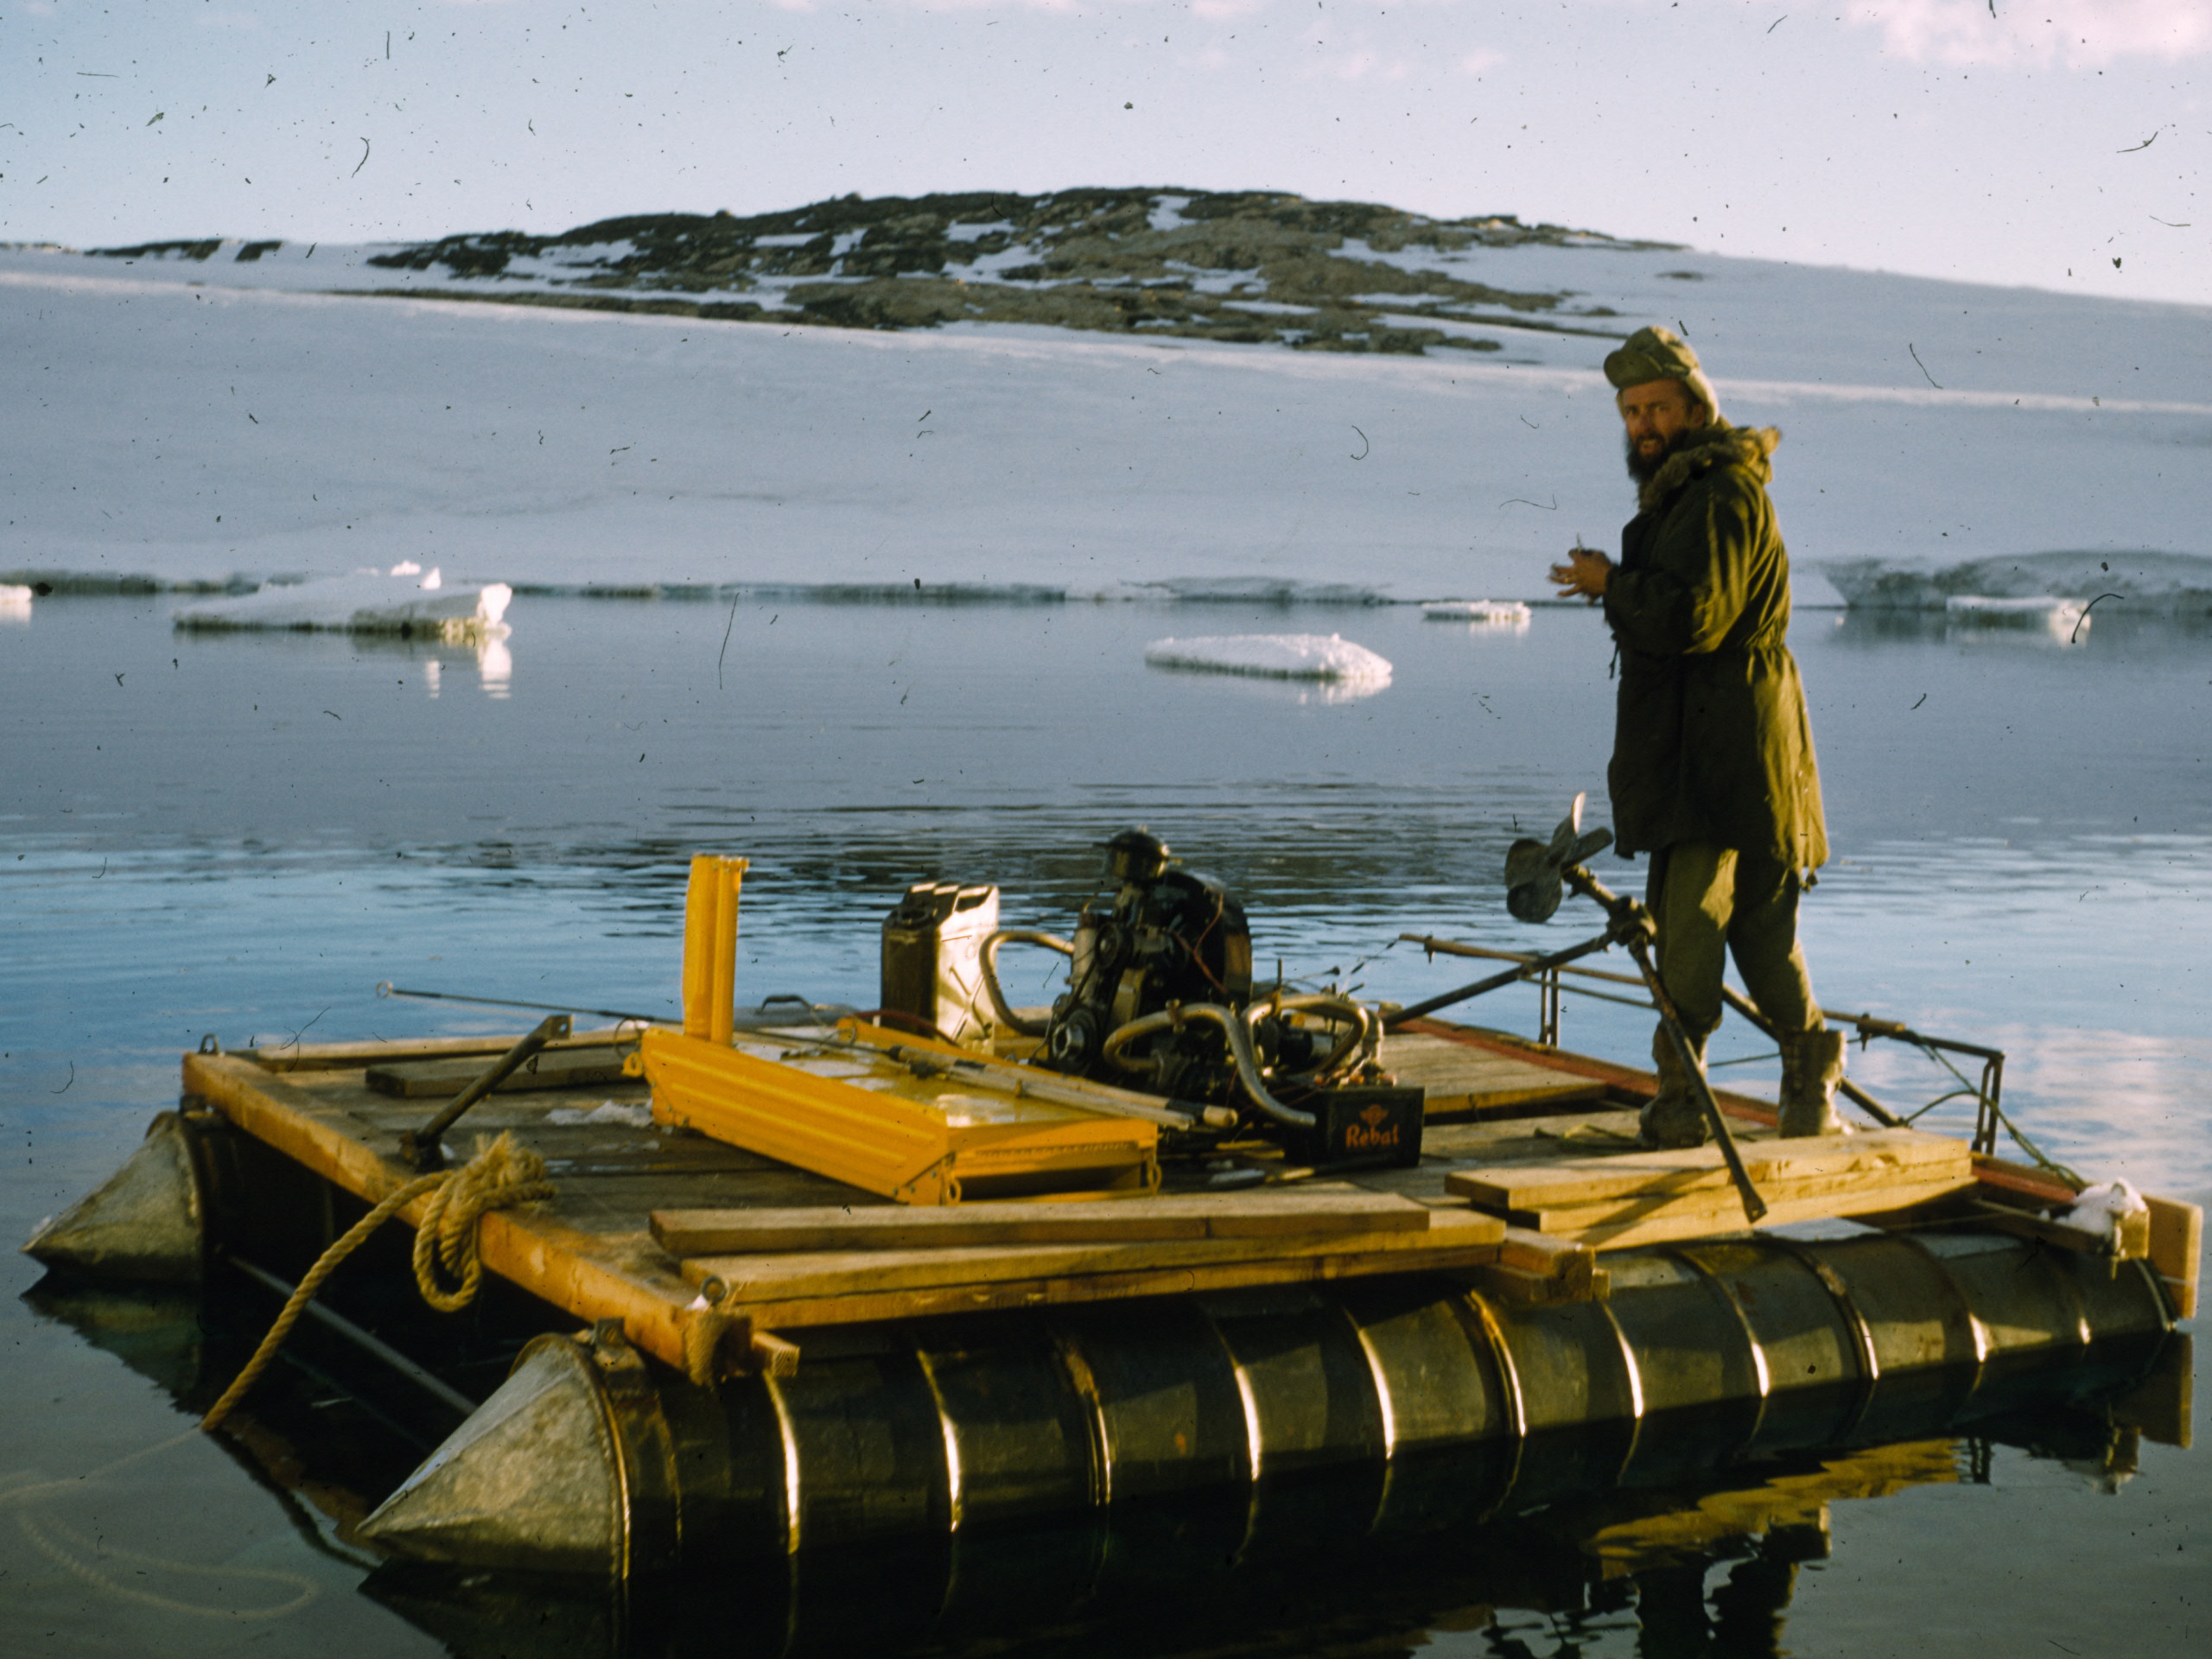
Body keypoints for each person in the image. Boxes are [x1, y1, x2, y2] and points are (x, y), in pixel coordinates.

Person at [1547, 326, 1843, 1146]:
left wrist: (1614, 582)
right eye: (1631, 411)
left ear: (1695, 409)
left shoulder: (1718, 495)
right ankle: (1809, 1097)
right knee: (1759, 929)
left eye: (1657, 408)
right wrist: (1622, 582)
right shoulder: (1706, 493)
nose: (1643, 425)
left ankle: (1682, 1107)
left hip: (1715, 760)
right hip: (1747, 753)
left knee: (1691, 928)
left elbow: (1694, 617)